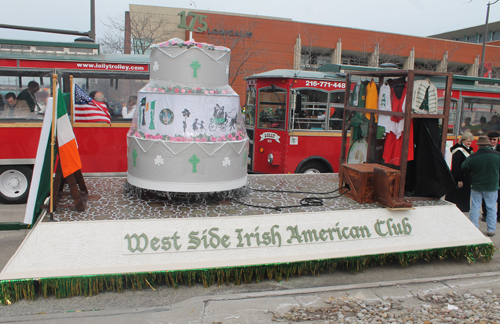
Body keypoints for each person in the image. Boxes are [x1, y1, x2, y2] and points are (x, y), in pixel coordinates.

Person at [461, 135, 500, 237]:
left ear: (478, 145)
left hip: (477, 185)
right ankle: (491, 229)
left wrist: (472, 172)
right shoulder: (497, 155)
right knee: (491, 208)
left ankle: (474, 227)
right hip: (492, 186)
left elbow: (464, 167)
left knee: (475, 206)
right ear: (488, 144)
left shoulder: (473, 156)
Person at [445, 132, 474, 212]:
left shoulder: (468, 150)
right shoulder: (458, 151)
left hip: (466, 177)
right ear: (463, 141)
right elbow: (456, 166)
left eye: (470, 141)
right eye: (468, 141)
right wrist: (458, 179)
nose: (469, 143)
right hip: (460, 176)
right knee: (457, 195)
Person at [481, 131, 500, 223]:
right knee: (485, 196)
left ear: (498, 140)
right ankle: (485, 214)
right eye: (490, 139)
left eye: (494, 139)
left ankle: (499, 216)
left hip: (498, 176)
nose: (492, 141)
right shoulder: (484, 148)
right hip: (487, 176)